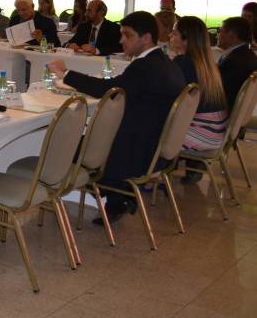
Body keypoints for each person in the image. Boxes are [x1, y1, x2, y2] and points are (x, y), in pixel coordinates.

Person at [48, 12, 185, 223]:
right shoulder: (168, 64)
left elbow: (107, 89)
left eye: (127, 35)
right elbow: (122, 87)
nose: (121, 40)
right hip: (158, 148)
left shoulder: (144, 66)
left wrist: (65, 74)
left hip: (136, 151)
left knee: (68, 145)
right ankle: (117, 195)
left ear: (146, 38)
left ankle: (114, 194)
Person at [169, 17, 228, 184]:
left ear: (186, 39)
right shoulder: (207, 63)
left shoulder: (184, 63)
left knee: (144, 130)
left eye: (174, 33)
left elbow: (171, 101)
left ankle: (150, 177)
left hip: (203, 134)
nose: (170, 36)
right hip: (215, 131)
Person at [217, 16, 257, 109]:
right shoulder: (249, 55)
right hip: (240, 110)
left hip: (224, 111)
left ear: (231, 34)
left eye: (220, 31)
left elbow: (218, 91)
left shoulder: (233, 60)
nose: (217, 35)